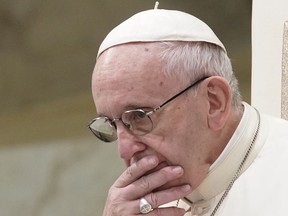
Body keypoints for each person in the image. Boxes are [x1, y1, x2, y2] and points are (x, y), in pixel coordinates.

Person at [88, 5, 288, 216]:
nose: (125, 151)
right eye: (111, 124)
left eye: (139, 116)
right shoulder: (137, 207)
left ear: (214, 102)